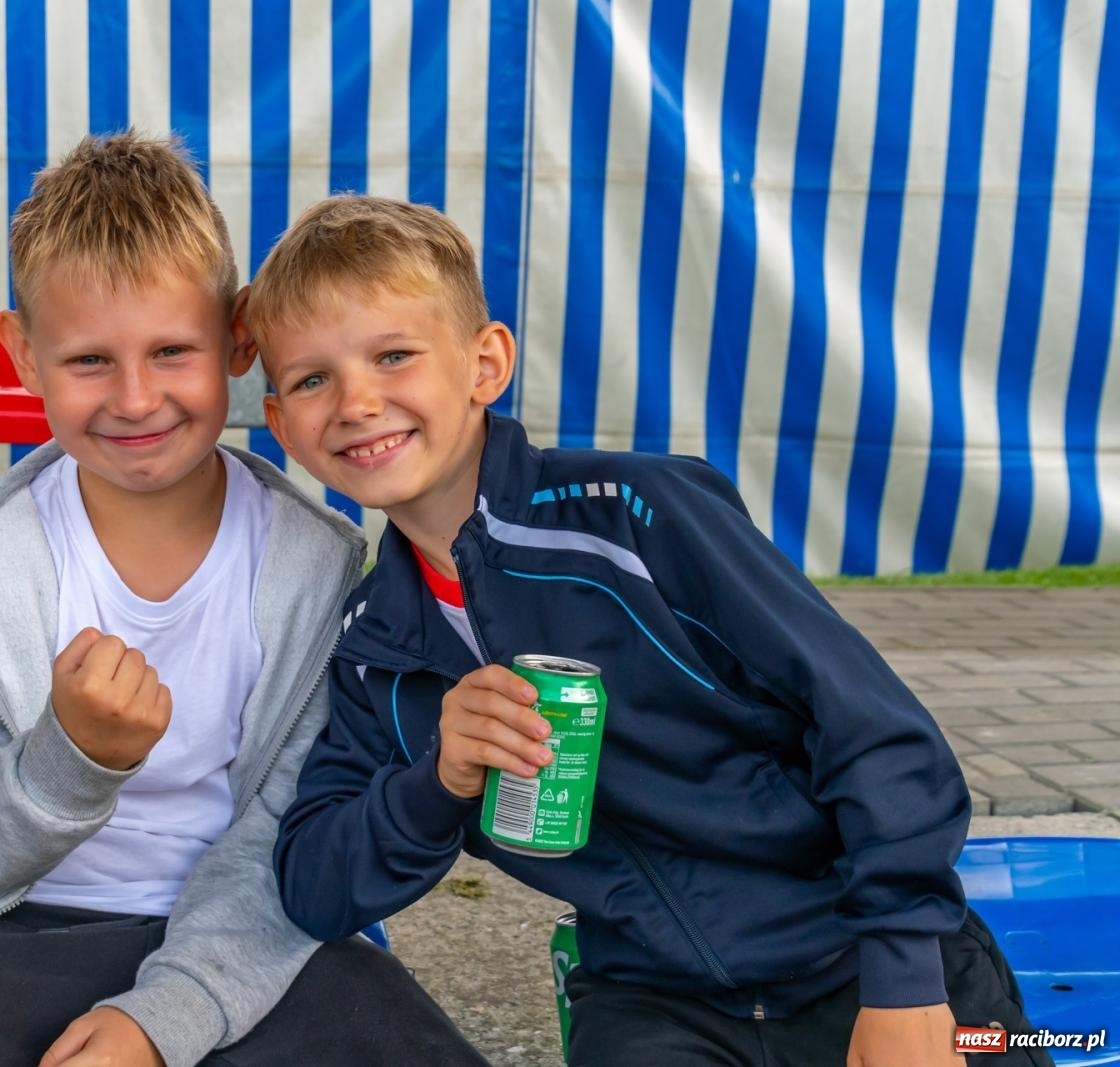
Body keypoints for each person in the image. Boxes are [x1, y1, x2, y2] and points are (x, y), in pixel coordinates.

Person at [247, 194, 1051, 1067]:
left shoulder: (639, 516)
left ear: (486, 364)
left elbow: (878, 733)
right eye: (313, 379)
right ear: (282, 423)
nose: (357, 400)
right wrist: (436, 780)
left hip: (861, 958)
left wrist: (904, 982)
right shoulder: (372, 648)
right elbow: (313, 885)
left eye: (393, 355)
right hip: (652, 1002)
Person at [0, 135, 486, 1067]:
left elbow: (291, 830)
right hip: (3, 932)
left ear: (237, 338)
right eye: (89, 359)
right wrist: (66, 760)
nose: (134, 398)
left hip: (249, 938)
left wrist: (161, 1018)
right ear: (24, 354)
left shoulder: (317, 569)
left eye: (172, 351)